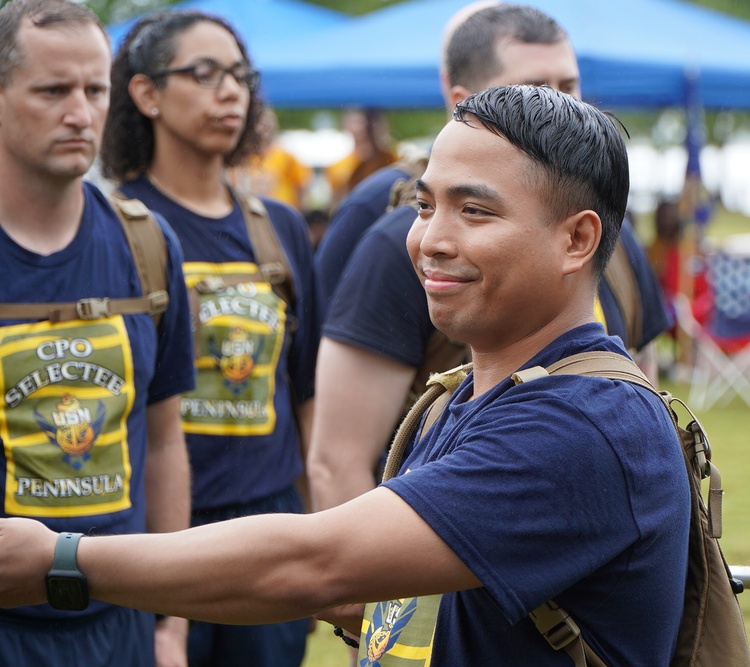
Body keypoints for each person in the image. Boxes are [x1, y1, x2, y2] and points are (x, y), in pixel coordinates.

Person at [0, 83, 692, 666]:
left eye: (474, 210)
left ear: (578, 239)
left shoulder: (584, 423)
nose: (429, 240)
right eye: (425, 205)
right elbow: (386, 599)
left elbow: (313, 561)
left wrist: (62, 560)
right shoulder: (470, 395)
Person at [309, 1, 669, 517]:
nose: (562, 107)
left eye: (570, 86)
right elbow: (336, 461)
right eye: (534, 91)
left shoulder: (597, 420)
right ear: (463, 102)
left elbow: (640, 385)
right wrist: (365, 589)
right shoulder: (397, 247)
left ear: (580, 240)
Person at [99, 9, 318, 667]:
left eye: (239, 76)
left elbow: (307, 394)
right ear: (145, 94)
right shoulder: (113, 227)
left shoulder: (278, 227)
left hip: (268, 533)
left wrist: (317, 533)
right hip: (159, 539)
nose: (230, 91)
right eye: (203, 73)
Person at [0, 1, 194, 665]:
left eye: (94, 90)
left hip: (122, 629)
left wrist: (170, 623)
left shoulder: (147, 243)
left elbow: (166, 442)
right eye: (52, 91)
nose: (80, 114)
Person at [229, 107, 313, 212]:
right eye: (260, 125)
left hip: (280, 214)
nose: (263, 130)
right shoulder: (240, 158)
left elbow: (302, 184)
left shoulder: (284, 156)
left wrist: (299, 210)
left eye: (267, 126)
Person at [324, 108, 398, 211]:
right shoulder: (338, 166)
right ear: (346, 125)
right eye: (356, 122)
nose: (362, 127)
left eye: (366, 122)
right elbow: (335, 202)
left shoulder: (393, 158)